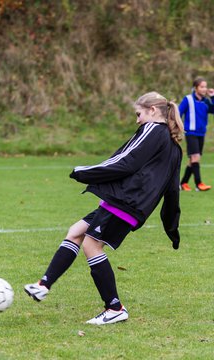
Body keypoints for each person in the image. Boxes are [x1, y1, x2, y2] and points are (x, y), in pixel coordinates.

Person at [24, 91, 183, 325]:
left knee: (91, 244)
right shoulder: (173, 146)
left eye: (138, 114)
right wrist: (172, 226)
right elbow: (172, 191)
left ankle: (114, 308)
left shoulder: (153, 130)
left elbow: (126, 161)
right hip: (129, 204)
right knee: (76, 231)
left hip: (127, 202)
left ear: (152, 111)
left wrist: (85, 172)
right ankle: (42, 286)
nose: (137, 120)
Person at [179, 76, 214, 191]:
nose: (204, 89)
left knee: (193, 160)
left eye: (205, 87)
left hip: (201, 133)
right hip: (191, 133)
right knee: (195, 157)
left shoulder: (206, 101)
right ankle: (199, 184)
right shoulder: (188, 99)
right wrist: (177, 128)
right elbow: (178, 113)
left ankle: (183, 183)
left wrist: (213, 97)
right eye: (202, 87)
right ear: (195, 87)